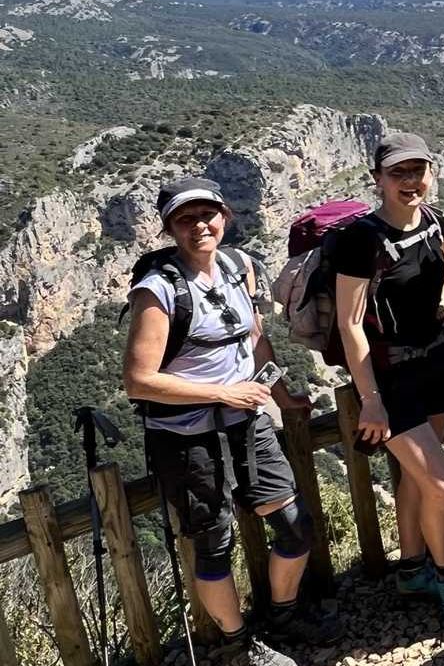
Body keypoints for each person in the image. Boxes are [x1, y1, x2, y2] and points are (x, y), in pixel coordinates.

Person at [123, 178, 341, 666]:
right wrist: (224, 391)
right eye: (185, 218)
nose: (200, 225)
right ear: (169, 228)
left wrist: (281, 394)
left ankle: (281, 613)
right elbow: (138, 381)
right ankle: (238, 643)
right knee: (214, 539)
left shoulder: (238, 266)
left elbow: (254, 339)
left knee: (294, 524)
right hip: (185, 437)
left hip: (245, 420)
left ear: (225, 216)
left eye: (208, 214)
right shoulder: (157, 291)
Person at [333, 132, 444, 629]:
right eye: (398, 173)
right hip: (391, 378)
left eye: (418, 170)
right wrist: (370, 400)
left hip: (436, 363)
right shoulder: (361, 241)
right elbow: (350, 324)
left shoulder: (434, 221)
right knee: (440, 484)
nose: (410, 181)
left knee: (419, 479)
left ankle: (413, 569)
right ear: (378, 180)